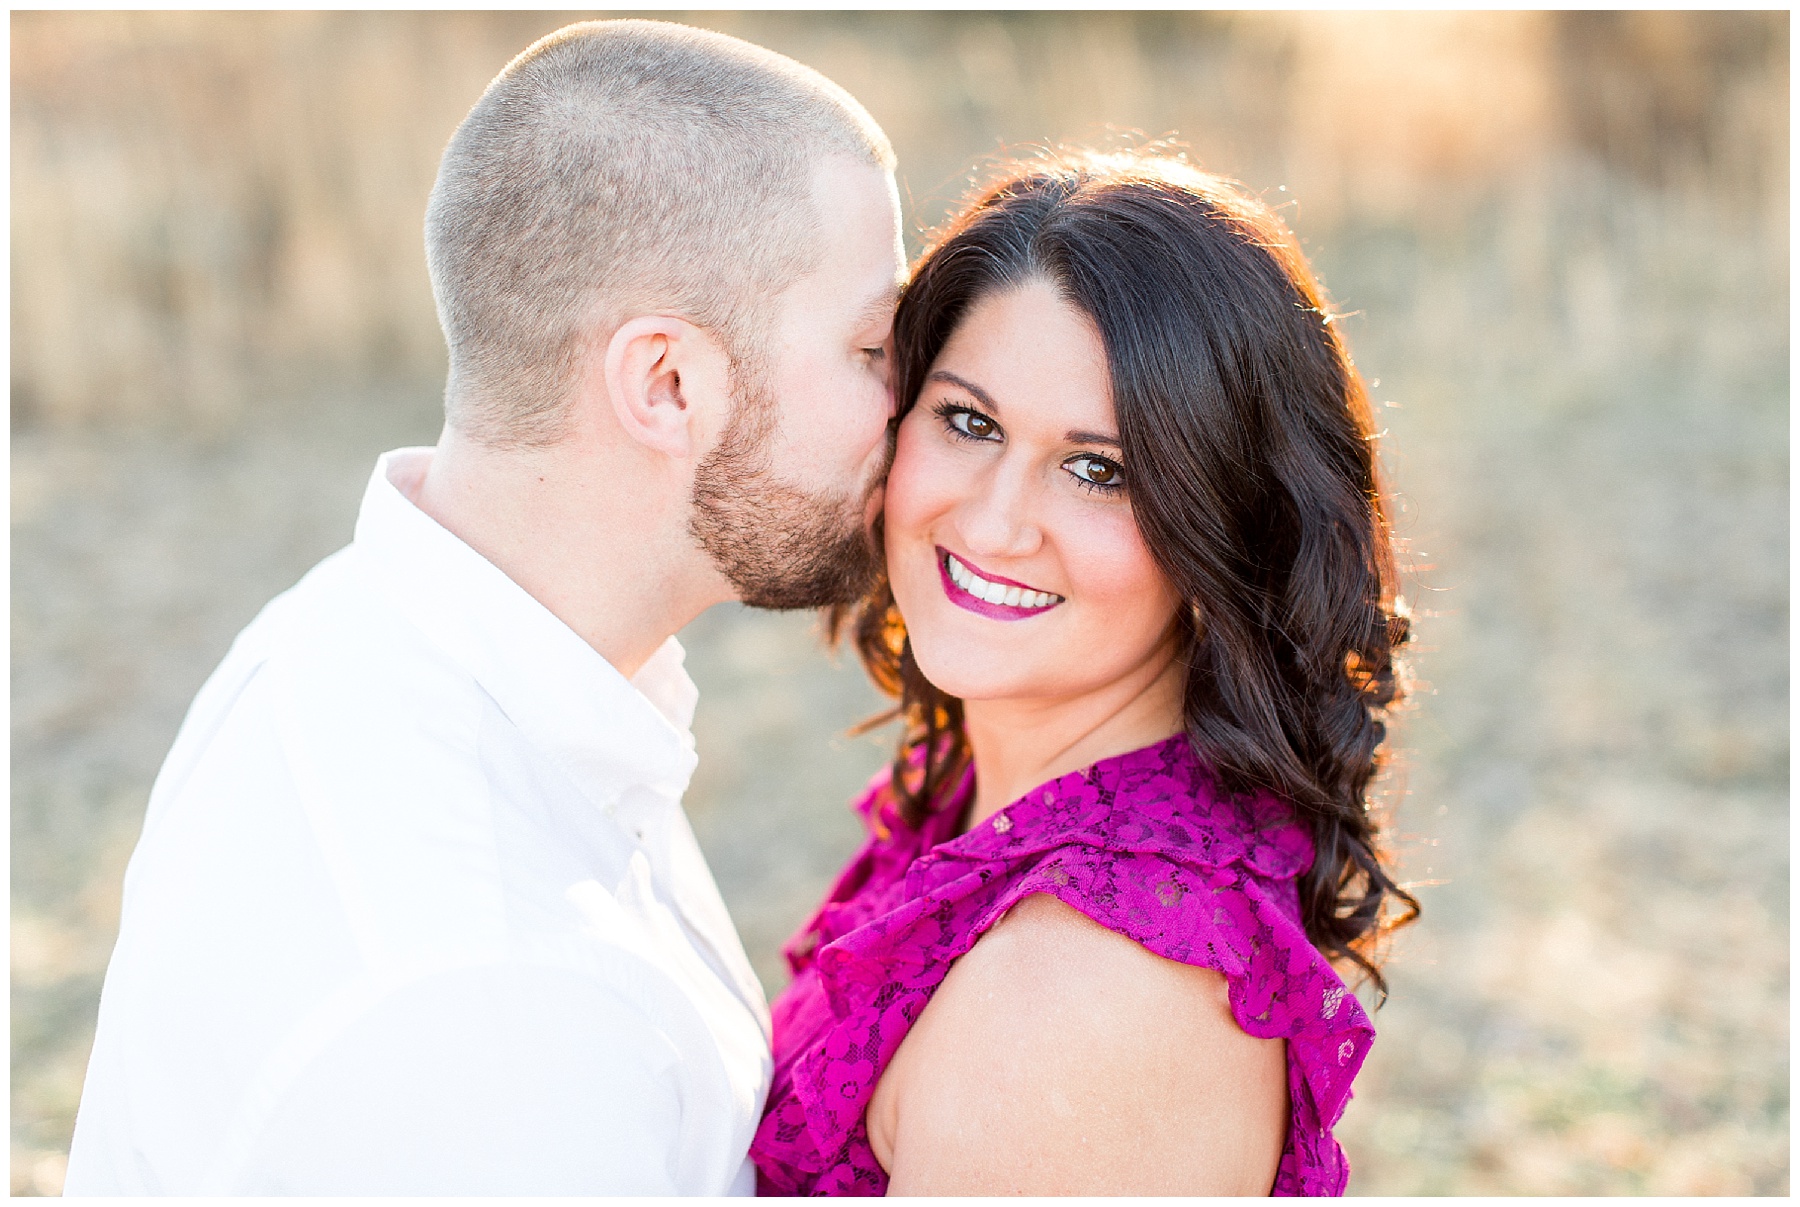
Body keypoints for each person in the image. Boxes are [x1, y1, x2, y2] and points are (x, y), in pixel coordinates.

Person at [65, 20, 904, 1195]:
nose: (913, 410)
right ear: (667, 383)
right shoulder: (488, 1004)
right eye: (874, 346)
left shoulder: (361, 635)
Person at [751, 150, 1420, 1196]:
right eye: (968, 420)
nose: (994, 520)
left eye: (1098, 469)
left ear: (1223, 528)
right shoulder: (1017, 803)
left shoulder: (1085, 991)